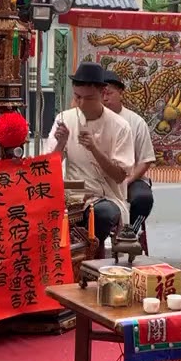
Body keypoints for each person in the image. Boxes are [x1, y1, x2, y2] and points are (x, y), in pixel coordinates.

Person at [45, 62, 135, 243]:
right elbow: (48, 168)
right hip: (73, 189)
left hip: (104, 194)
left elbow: (119, 176)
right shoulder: (65, 119)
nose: (82, 103)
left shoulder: (120, 126)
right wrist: (60, 144)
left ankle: (93, 255)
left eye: (89, 98)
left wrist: (94, 149)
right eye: (78, 97)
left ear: (103, 94)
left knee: (102, 214)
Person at [102, 70, 156, 224]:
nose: (105, 98)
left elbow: (145, 160)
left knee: (143, 199)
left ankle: (130, 233)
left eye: (109, 93)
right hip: (99, 178)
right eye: (101, 94)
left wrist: (127, 181)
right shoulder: (91, 120)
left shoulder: (136, 122)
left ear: (120, 92)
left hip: (130, 178)